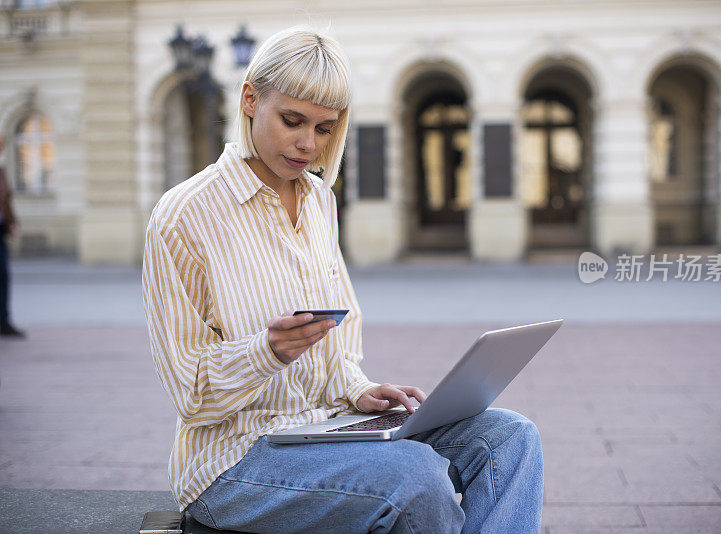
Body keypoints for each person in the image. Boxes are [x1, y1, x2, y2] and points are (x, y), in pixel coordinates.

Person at [142, 26, 543, 533]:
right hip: (234, 462)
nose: (308, 144)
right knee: (417, 478)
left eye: (326, 128)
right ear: (249, 99)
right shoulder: (183, 215)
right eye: (292, 121)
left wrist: (360, 391)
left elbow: (335, 351)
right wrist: (267, 352)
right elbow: (189, 393)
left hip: (324, 432)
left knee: (511, 440)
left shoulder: (317, 202)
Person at [0, 136, 25, 338]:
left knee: (3, 274)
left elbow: (6, 200)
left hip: (0, 229)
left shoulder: (1, 172)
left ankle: (4, 321)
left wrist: (12, 222)